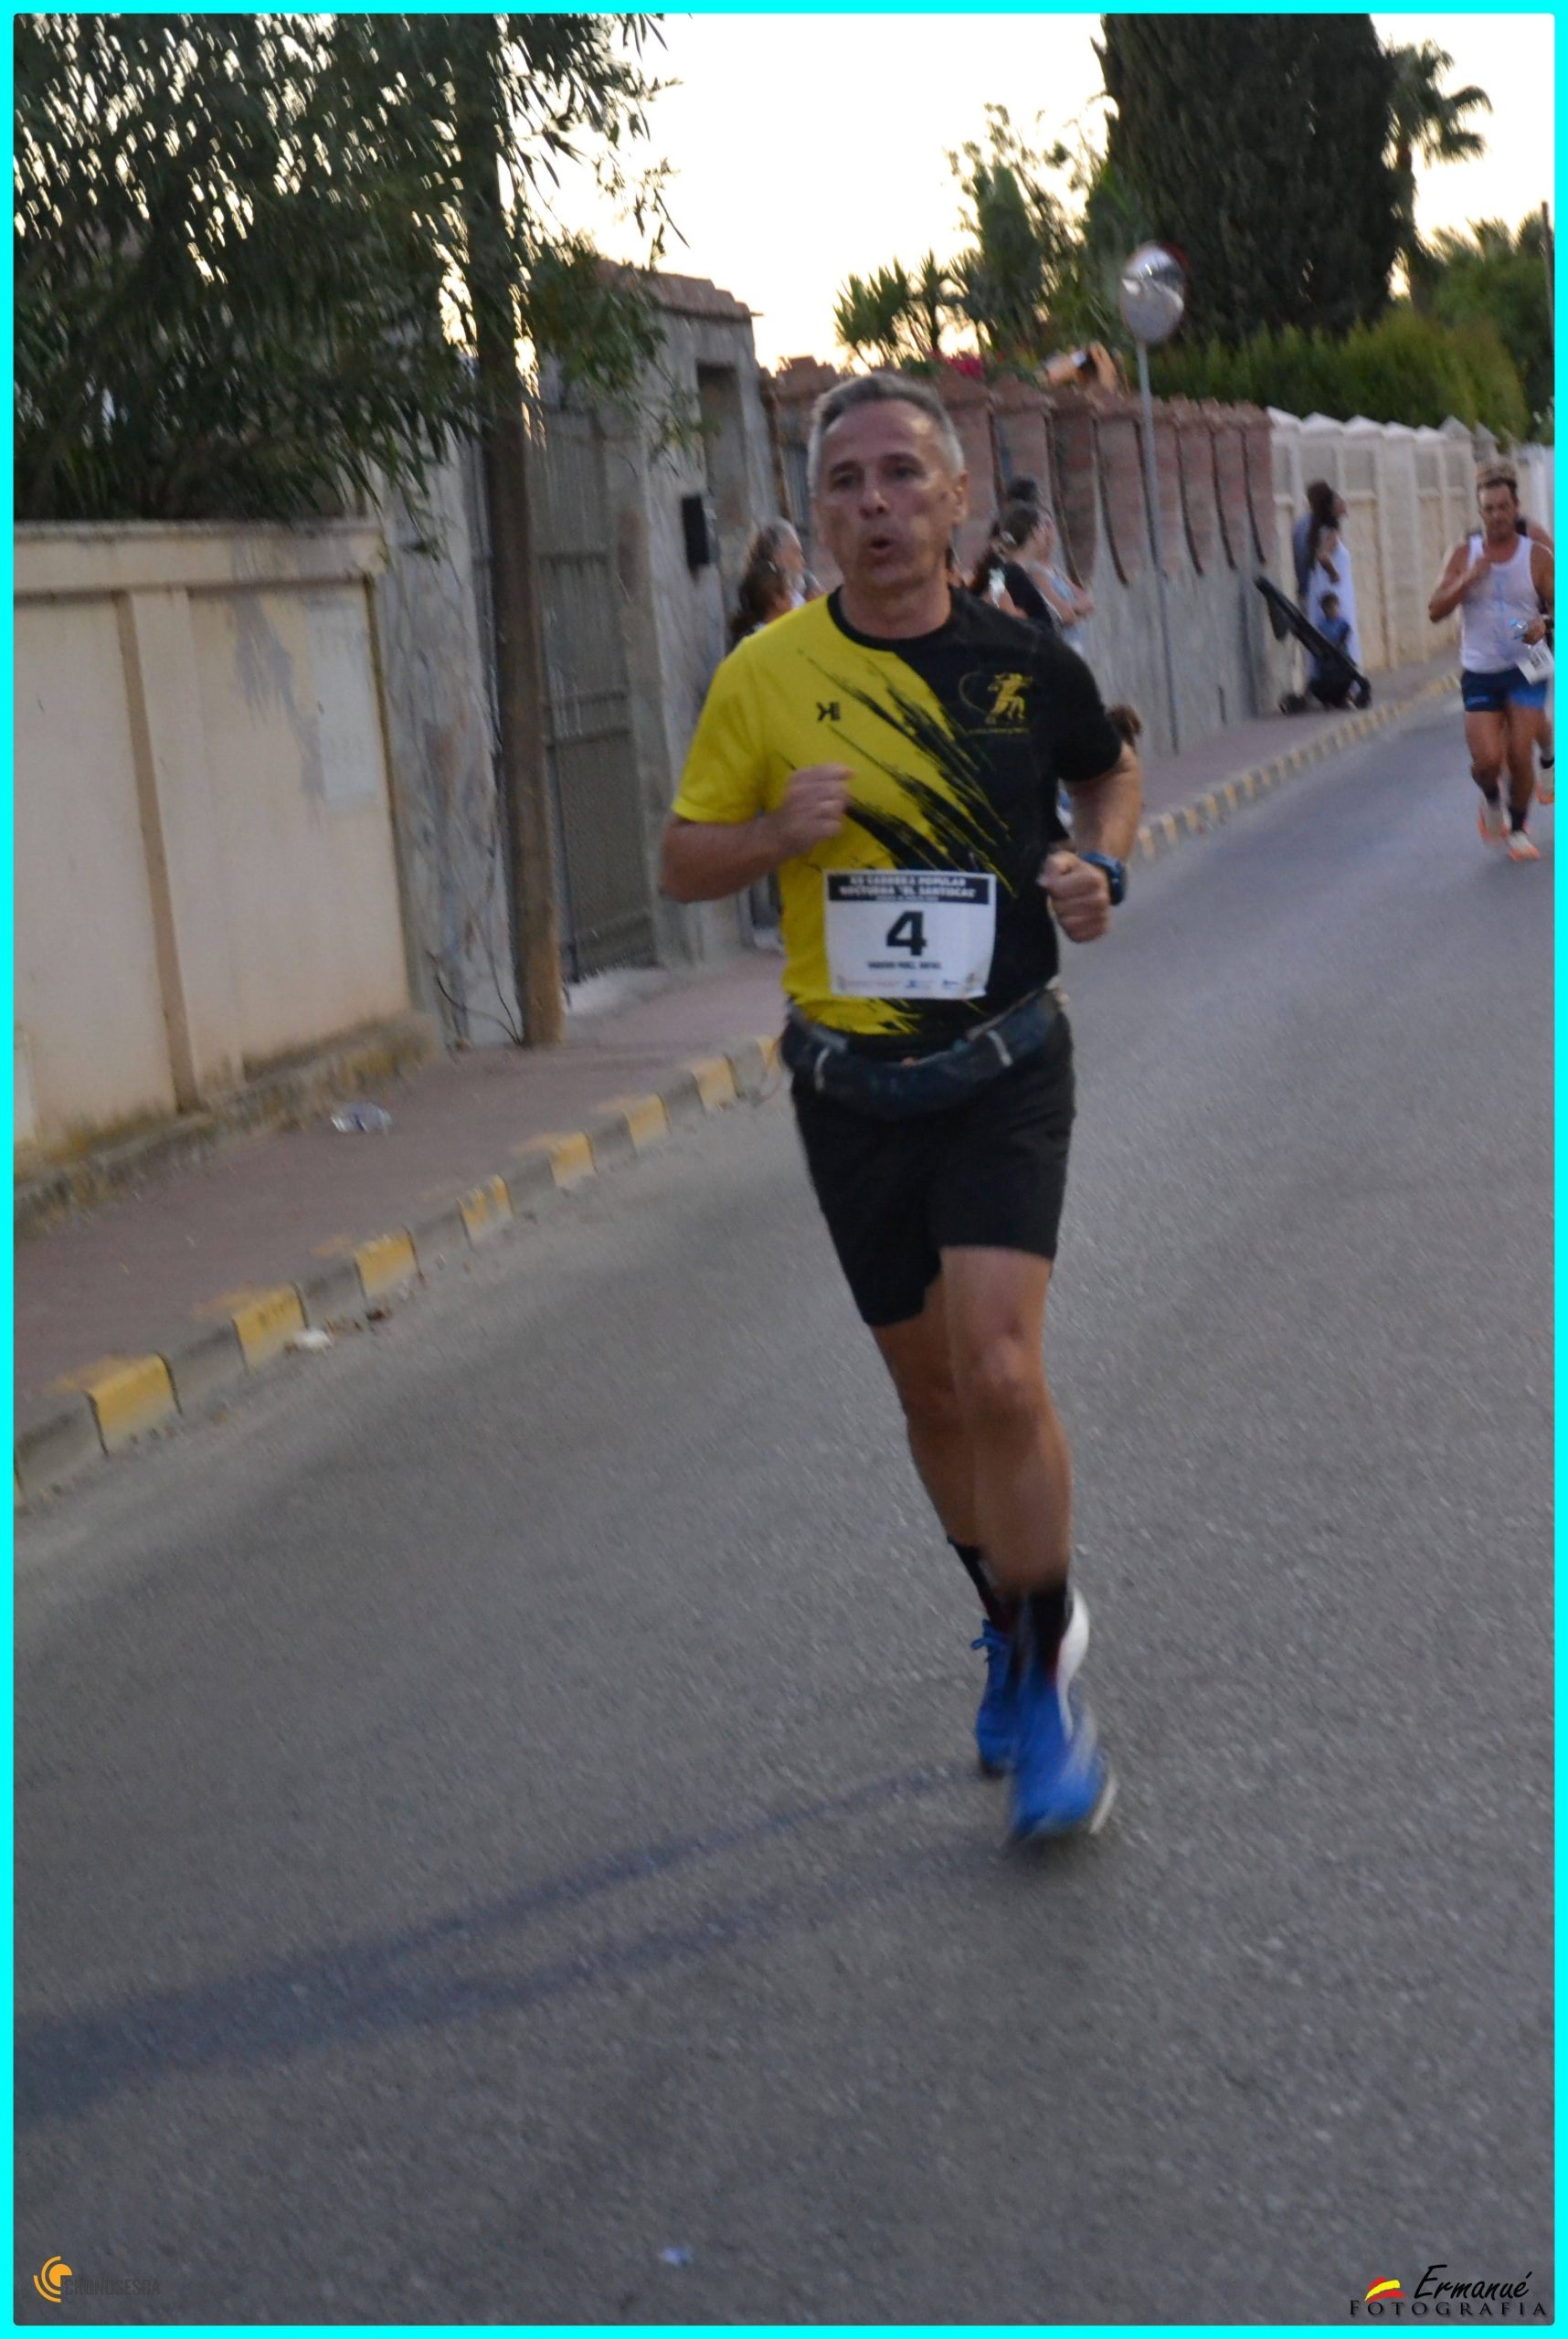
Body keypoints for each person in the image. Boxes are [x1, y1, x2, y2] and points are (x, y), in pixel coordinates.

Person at [660, 371, 1142, 1841]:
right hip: (853, 1088)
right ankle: (1003, 1620)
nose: (874, 504)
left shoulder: (1022, 659)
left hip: (1005, 1063)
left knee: (999, 1371)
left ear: (953, 498)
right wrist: (772, 832)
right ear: (816, 511)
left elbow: (1106, 778)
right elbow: (682, 861)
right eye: (845, 482)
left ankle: (1048, 1694)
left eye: (900, 476)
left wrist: (1100, 868)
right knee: (931, 1396)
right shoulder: (765, 676)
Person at [1428, 459, 1554, 863]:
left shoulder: (1536, 553)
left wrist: (1545, 623)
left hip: (1527, 664)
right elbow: (1434, 610)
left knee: (1519, 753)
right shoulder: (1463, 554)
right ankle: (1491, 797)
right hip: (1480, 669)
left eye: (1503, 507)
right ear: (1480, 512)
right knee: (1485, 763)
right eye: (1489, 509)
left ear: (1516, 508)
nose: (1497, 515)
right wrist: (1468, 578)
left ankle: (1518, 828)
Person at [728, 519, 811, 649]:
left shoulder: (804, 595)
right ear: (777, 557)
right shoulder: (754, 638)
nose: (802, 562)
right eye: (796, 552)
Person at [1308, 591, 1355, 709]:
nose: (1332, 611)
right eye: (1328, 608)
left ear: (1338, 607)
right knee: (1323, 677)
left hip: (1340, 655)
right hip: (1326, 657)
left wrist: (1338, 644)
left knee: (1346, 672)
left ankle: (1347, 696)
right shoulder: (1322, 624)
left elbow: (1346, 633)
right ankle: (1327, 700)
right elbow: (1318, 638)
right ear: (1323, 610)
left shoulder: (1342, 622)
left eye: (1334, 608)